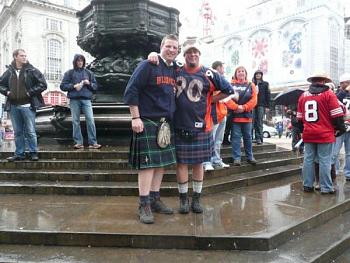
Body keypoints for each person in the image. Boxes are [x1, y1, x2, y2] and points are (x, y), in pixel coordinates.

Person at [123, 34, 179, 224]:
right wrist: (135, 117)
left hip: (165, 123)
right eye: (168, 46)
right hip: (147, 121)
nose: (172, 50)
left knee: (161, 164)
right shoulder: (148, 65)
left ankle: (155, 199)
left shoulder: (174, 70)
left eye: (175, 47)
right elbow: (131, 90)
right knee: (147, 165)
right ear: (161, 46)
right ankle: (144, 203)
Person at [297, 73, 345, 194]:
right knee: (325, 160)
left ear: (312, 81)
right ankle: (326, 187)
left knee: (308, 159)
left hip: (308, 133)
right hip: (325, 133)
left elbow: (299, 119)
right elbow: (337, 116)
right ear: (324, 81)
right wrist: (340, 129)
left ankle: (307, 185)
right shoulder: (329, 94)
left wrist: (302, 131)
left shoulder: (303, 96)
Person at [0, 49, 47, 161]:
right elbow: (1, 84)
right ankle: (19, 154)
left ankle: (33, 153)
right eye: (22, 56)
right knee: (18, 132)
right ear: (15, 57)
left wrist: (30, 92)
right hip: (14, 106)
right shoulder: (9, 71)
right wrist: (7, 92)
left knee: (30, 131)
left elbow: (43, 84)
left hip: (28, 106)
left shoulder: (32, 70)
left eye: (25, 55)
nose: (24, 57)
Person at [60, 54, 101, 150]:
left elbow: (95, 87)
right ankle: (78, 142)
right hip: (74, 100)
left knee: (90, 119)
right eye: (78, 61)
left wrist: (89, 83)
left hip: (86, 99)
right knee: (75, 121)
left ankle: (93, 142)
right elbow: (62, 86)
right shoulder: (69, 73)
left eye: (81, 61)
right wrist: (74, 86)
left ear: (84, 62)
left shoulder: (89, 73)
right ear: (75, 62)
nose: (80, 62)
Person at [225, 66, 257, 166]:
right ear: (235, 74)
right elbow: (227, 98)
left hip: (247, 116)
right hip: (235, 116)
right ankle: (236, 158)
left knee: (248, 137)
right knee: (235, 137)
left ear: (246, 73)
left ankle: (250, 157)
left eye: (243, 71)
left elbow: (254, 100)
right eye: (239, 71)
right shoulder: (230, 84)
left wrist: (244, 107)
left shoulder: (251, 85)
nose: (241, 73)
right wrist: (236, 107)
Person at [202, 61, 230, 171]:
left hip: (222, 112)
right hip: (213, 112)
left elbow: (228, 93)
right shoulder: (210, 77)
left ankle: (217, 160)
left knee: (218, 139)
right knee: (210, 138)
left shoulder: (222, 79)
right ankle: (207, 161)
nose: (224, 69)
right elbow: (210, 95)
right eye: (223, 67)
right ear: (218, 67)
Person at [331, 73, 350, 182]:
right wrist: (345, 91)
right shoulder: (338, 94)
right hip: (340, 126)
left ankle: (348, 174)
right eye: (344, 83)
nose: (346, 85)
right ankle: (334, 172)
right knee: (334, 152)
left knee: (349, 153)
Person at [252, 70, 270, 145]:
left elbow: (268, 95)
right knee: (252, 121)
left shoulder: (265, 84)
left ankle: (259, 138)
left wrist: (267, 106)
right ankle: (251, 138)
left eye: (259, 74)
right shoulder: (251, 83)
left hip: (261, 105)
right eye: (256, 74)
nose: (258, 75)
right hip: (252, 105)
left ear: (261, 75)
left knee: (259, 121)